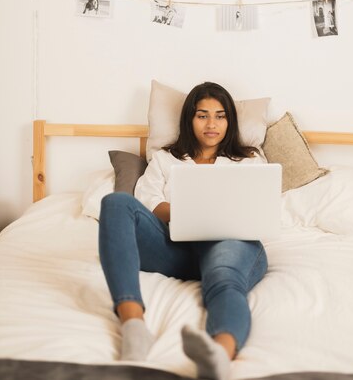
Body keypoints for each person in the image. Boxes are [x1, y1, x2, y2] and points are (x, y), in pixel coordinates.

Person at [98, 82, 267, 380]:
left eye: (220, 115)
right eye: (202, 115)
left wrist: (212, 216)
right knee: (115, 203)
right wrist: (190, 212)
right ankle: (133, 325)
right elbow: (150, 204)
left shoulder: (250, 160)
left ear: (230, 121)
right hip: (175, 247)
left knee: (226, 280)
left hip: (228, 244)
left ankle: (219, 355)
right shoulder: (165, 159)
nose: (211, 124)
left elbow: (259, 208)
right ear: (189, 119)